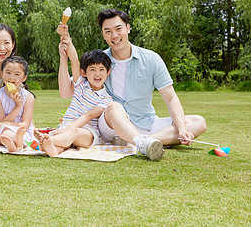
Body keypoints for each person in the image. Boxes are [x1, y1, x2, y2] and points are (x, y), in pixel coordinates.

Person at [57, 9, 207, 160]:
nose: (114, 35)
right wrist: (65, 50)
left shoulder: (151, 59)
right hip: (110, 125)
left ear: (128, 28)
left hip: (146, 122)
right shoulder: (99, 63)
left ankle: (142, 141)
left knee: (198, 123)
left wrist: (181, 129)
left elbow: (171, 98)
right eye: (108, 31)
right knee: (113, 106)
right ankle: (141, 142)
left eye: (118, 29)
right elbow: (70, 88)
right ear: (103, 34)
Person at [34, 44, 113, 157]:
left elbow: (89, 115)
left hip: (87, 133)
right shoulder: (81, 84)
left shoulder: (107, 99)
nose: (97, 73)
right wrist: (66, 39)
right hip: (66, 127)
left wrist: (69, 128)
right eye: (92, 69)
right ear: (83, 73)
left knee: (73, 133)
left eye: (101, 69)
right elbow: (74, 61)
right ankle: (52, 150)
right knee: (61, 144)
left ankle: (48, 140)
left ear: (108, 72)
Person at [0, 56, 35, 152]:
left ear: (24, 78)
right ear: (2, 74)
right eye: (8, 72)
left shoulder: (28, 97)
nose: (11, 77)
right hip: (1, 129)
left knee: (21, 134)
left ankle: (15, 142)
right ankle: (15, 143)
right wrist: (17, 107)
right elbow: (0, 121)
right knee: (3, 133)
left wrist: (19, 105)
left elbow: (25, 124)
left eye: (17, 74)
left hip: (21, 130)